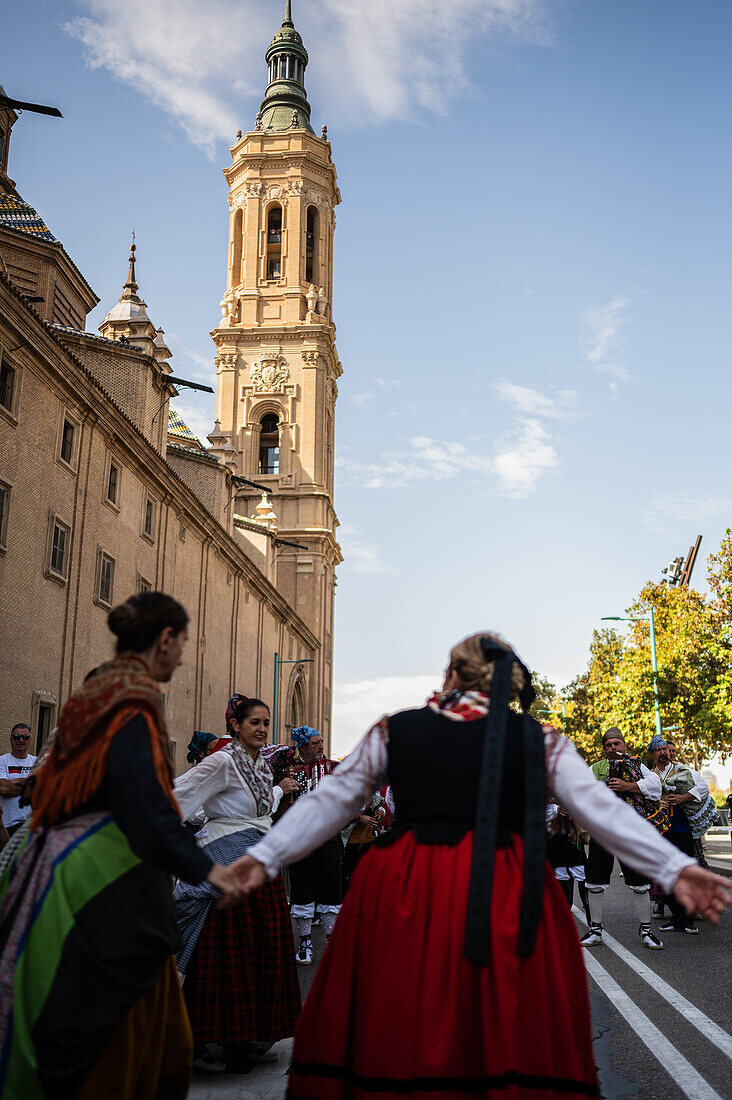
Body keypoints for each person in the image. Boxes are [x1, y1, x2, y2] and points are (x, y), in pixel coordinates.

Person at [235, 633, 730, 1100]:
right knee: (506, 1018)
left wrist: (265, 856)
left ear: (451, 674)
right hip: (504, 887)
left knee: (402, 1009)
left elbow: (332, 801)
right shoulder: (538, 738)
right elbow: (602, 812)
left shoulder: (397, 729)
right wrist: (675, 869)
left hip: (408, 885)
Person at [0, 592, 250, 1100]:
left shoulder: (93, 692)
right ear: (163, 640)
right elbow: (146, 806)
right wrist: (211, 870)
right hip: (103, 876)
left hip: (50, 862)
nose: (182, 655)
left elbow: (47, 783)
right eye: (181, 643)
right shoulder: (135, 700)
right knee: (118, 1033)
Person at [173, 697, 302, 1073]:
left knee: (261, 951)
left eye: (266, 722)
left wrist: (280, 789)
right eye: (253, 723)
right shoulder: (222, 761)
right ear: (236, 726)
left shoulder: (261, 768)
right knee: (231, 954)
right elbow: (180, 795)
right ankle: (219, 1040)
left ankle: (249, 1037)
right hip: (230, 866)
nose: (261, 728)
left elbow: (262, 808)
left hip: (259, 862)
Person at [581, 728, 667, 950]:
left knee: (640, 882)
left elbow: (656, 786)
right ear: (604, 748)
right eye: (608, 745)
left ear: (624, 746)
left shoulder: (638, 765)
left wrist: (628, 786)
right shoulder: (595, 768)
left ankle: (646, 931)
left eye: (616, 744)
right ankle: (595, 930)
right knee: (595, 880)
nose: (612, 748)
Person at [650, 736, 717, 934]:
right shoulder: (650, 775)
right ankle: (676, 919)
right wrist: (657, 803)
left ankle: (687, 920)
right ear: (653, 754)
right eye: (659, 750)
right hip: (661, 832)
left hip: (682, 831)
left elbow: (703, 788)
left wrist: (682, 798)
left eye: (665, 749)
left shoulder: (684, 770)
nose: (663, 753)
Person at [287, 726, 342, 964]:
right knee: (302, 887)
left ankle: (332, 939)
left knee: (331, 887)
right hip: (299, 838)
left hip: (328, 836)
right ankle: (305, 941)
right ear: (302, 745)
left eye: (321, 742)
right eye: (315, 743)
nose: (321, 746)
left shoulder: (332, 768)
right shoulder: (289, 769)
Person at [0, 723, 37, 837]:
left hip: (32, 827)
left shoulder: (37, 762)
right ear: (11, 739)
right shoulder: (2, 761)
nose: (21, 740)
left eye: (25, 737)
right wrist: (31, 784)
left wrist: (14, 782)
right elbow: (4, 789)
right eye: (16, 737)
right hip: (8, 828)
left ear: (30, 740)